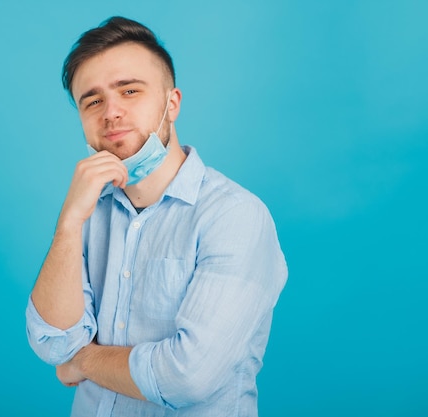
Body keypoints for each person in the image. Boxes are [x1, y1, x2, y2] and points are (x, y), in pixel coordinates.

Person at [25, 16, 287, 417]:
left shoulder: (235, 216)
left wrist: (84, 362)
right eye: (92, 101)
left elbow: (187, 376)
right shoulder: (88, 213)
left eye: (129, 91)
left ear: (172, 103)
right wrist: (68, 224)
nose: (111, 113)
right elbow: (53, 343)